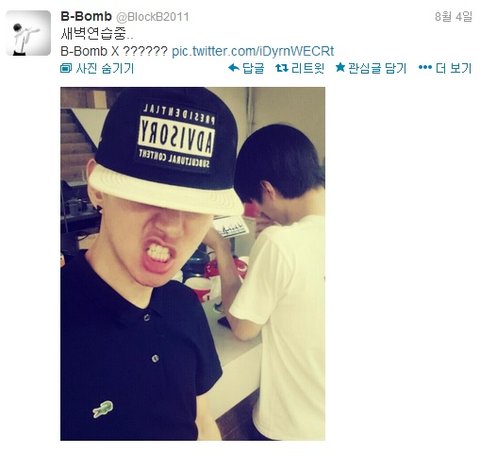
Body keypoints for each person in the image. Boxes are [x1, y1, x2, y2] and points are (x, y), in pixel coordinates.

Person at [61, 87, 244, 440]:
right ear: (97, 187)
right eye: (147, 195)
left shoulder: (184, 306)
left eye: (196, 205)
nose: (172, 227)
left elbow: (202, 421)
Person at [203, 124, 325, 440]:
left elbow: (243, 328)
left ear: (267, 189)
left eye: (257, 203)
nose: (260, 212)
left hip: (291, 427)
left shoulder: (280, 243)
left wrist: (221, 249)